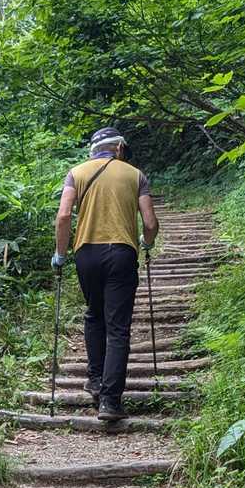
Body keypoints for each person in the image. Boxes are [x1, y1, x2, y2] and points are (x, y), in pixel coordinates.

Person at [52, 127, 159, 422]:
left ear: (93, 150)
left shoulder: (76, 173)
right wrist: (147, 244)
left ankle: (95, 380)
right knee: (118, 327)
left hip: (86, 254)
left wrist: (60, 254)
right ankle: (110, 401)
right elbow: (150, 223)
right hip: (122, 253)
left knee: (94, 315)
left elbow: (63, 216)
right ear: (119, 148)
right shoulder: (136, 175)